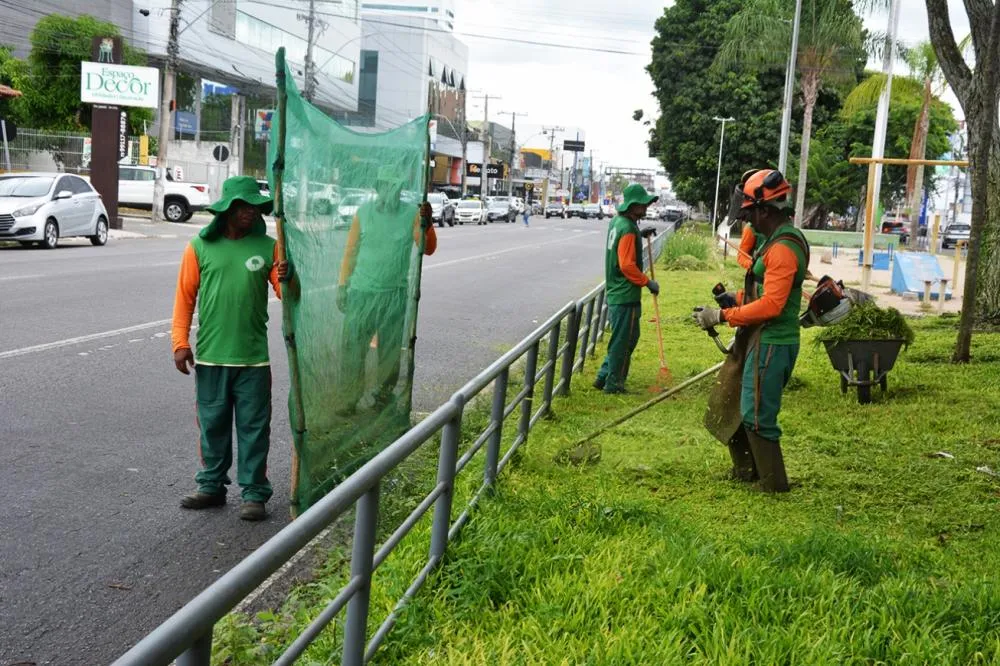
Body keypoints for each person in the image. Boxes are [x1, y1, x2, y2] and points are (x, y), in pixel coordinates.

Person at [172, 176, 289, 521]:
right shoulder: (199, 247)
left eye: (255, 206)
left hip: (253, 360)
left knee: (254, 429)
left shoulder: (269, 247)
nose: (251, 212)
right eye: (243, 206)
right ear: (228, 209)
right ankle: (211, 486)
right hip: (211, 357)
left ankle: (254, 493)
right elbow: (185, 298)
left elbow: (286, 295)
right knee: (213, 426)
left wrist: (287, 277)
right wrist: (180, 343)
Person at [694, 169, 809, 492]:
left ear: (765, 210)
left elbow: (772, 305)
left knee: (758, 414)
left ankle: (773, 484)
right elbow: (764, 293)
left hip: (772, 341)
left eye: (749, 213)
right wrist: (735, 299)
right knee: (742, 405)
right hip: (760, 338)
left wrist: (723, 315)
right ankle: (748, 472)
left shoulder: (783, 248)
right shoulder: (774, 241)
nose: (746, 220)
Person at [337, 166, 437, 414]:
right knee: (353, 349)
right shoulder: (364, 212)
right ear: (378, 187)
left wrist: (428, 224)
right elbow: (350, 252)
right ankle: (349, 398)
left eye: (395, 186)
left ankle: (382, 397)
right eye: (386, 186)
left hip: (394, 294)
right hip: (361, 293)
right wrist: (342, 285)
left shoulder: (411, 214)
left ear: (401, 189)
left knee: (390, 353)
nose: (390, 191)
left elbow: (427, 248)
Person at [594, 183, 661, 394]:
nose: (646, 207)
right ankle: (613, 384)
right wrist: (647, 282)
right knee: (623, 342)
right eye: (643, 204)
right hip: (625, 294)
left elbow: (622, 246)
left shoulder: (618, 222)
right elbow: (627, 265)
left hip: (617, 292)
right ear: (633, 206)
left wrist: (639, 234)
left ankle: (603, 376)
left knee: (625, 338)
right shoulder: (628, 229)